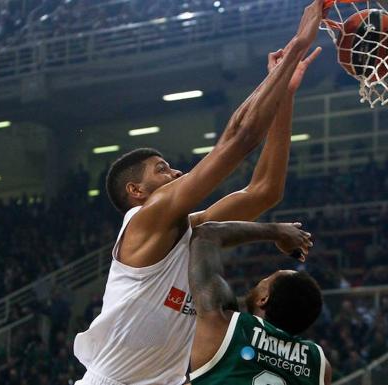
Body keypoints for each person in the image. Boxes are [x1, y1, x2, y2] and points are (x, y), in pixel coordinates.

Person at [72, 1, 325, 384]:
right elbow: (238, 140)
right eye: (162, 169)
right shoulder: (144, 220)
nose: (174, 171)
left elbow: (264, 191)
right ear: (136, 190)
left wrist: (284, 94)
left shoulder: (190, 229)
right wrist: (297, 47)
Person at [187, 221, 331, 385]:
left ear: (264, 299)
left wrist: (278, 231)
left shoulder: (224, 325)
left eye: (266, 279)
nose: (260, 281)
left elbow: (205, 234)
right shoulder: (319, 364)